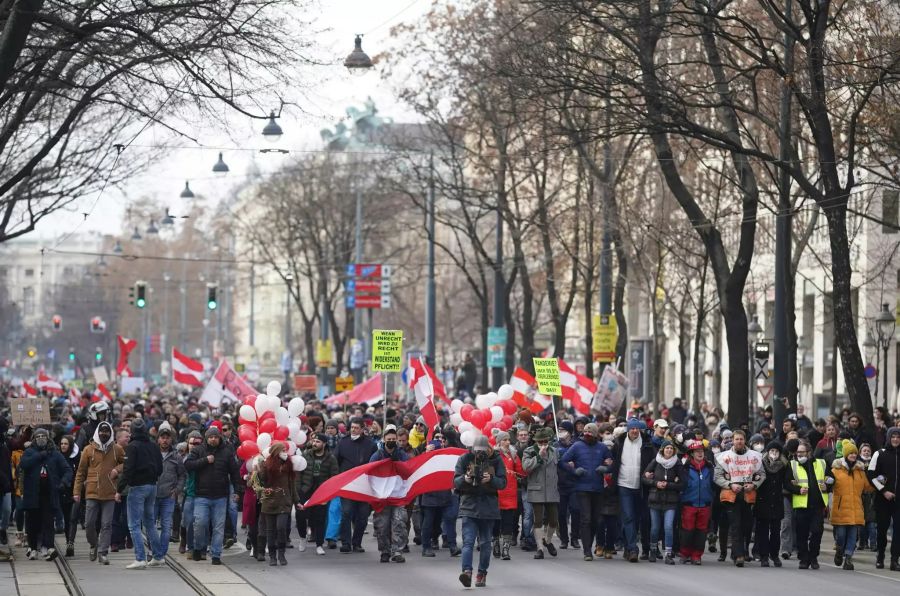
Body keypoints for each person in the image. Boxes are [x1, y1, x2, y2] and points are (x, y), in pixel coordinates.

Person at [454, 434, 506, 588]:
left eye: (483, 451)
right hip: (469, 505)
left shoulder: (496, 460)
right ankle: (467, 572)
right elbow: (455, 482)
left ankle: (482, 573)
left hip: (489, 506)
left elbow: (503, 483)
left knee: (485, 543)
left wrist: (491, 479)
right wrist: (466, 478)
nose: (479, 454)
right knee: (468, 542)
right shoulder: (464, 459)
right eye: (477, 451)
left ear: (489, 449)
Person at [184, 425, 240, 565]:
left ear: (219, 437)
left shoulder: (227, 452)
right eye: (210, 437)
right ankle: (197, 547)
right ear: (206, 438)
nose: (213, 439)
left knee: (218, 527)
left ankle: (216, 554)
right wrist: (205, 460)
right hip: (201, 495)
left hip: (220, 496)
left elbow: (234, 472)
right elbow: (188, 464)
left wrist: (238, 491)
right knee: (200, 523)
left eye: (215, 437)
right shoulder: (199, 450)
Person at [72, 421, 124, 565]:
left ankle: (103, 552)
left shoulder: (117, 449)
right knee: (89, 523)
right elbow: (80, 472)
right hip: (92, 492)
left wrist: (117, 470)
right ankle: (94, 544)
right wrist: (76, 491)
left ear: (110, 433)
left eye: (107, 432)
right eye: (101, 431)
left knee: (106, 524)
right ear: (97, 432)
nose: (104, 434)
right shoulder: (88, 450)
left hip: (109, 493)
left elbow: (126, 463)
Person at [561, 422, 614, 561]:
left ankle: (589, 544)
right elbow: (563, 461)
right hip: (582, 488)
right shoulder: (577, 446)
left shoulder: (602, 448)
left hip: (597, 488)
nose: (587, 436)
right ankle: (587, 551)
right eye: (585, 434)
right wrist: (574, 471)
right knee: (586, 519)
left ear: (596, 435)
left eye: (590, 434)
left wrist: (606, 468)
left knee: (596, 520)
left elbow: (612, 463)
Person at [713, 429, 765, 567]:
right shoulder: (724, 457)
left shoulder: (754, 456)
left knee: (746, 526)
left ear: (745, 440)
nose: (739, 442)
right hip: (731, 496)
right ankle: (739, 556)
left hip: (748, 496)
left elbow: (761, 474)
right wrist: (730, 484)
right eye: (736, 439)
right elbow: (717, 476)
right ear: (733, 441)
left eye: (741, 439)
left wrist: (754, 485)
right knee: (735, 525)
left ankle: (738, 551)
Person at [117, 417, 163, 570]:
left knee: (134, 525)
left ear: (132, 432)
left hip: (137, 488)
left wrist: (119, 489)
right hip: (152, 486)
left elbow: (128, 470)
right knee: (150, 522)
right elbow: (160, 468)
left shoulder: (132, 447)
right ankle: (157, 556)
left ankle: (140, 558)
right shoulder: (154, 446)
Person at [20, 428, 71, 561]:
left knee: (48, 522)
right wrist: (39, 455)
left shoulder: (54, 453)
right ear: (34, 438)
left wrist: (63, 483)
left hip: (49, 494)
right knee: (32, 522)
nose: (41, 438)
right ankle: (32, 548)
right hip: (32, 495)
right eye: (38, 436)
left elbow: (67, 470)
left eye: (44, 436)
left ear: (48, 438)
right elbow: (23, 464)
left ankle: (49, 547)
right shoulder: (29, 452)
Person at [784, 439, 831, 569]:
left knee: (817, 532)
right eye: (797, 452)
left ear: (809, 452)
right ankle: (804, 559)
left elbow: (831, 479)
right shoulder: (792, 464)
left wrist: (827, 486)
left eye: (802, 452)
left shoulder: (821, 463)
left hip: (817, 505)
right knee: (802, 534)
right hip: (801, 505)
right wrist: (798, 489)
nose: (799, 455)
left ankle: (813, 557)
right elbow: (787, 483)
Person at [613, 418, 654, 562]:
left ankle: (627, 545)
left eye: (637, 428)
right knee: (628, 516)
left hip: (641, 486)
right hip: (623, 484)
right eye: (632, 428)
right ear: (628, 430)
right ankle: (633, 549)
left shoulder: (648, 443)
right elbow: (613, 461)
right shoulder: (619, 443)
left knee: (636, 518)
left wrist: (651, 473)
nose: (635, 431)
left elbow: (653, 462)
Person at [334, 417, 377, 554]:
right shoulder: (343, 443)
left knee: (362, 515)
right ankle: (346, 543)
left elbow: (374, 463)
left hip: (364, 485)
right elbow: (336, 461)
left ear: (362, 430)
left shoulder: (370, 444)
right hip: (347, 484)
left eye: (356, 428)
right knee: (346, 513)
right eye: (352, 427)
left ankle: (357, 542)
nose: (353, 430)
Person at [830, 440, 873, 571]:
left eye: (855, 453)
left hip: (856, 509)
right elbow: (828, 484)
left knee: (853, 537)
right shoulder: (836, 470)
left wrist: (880, 479)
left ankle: (848, 559)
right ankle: (839, 550)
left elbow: (868, 487)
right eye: (851, 453)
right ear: (845, 455)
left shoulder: (860, 471)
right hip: (841, 509)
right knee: (841, 536)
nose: (853, 455)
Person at [369, 425, 410, 563]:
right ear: (384, 440)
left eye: (394, 439)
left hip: (398, 496)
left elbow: (408, 470)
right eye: (389, 439)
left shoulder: (402, 455)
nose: (392, 441)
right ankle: (385, 551)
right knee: (382, 525)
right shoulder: (377, 456)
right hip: (383, 497)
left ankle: (397, 551)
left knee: (399, 523)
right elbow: (370, 473)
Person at [296, 433, 338, 556]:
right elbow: (299, 473)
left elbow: (334, 476)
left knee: (320, 518)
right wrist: (299, 489)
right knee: (301, 516)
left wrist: (328, 492)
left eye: (318, 442)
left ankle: (319, 544)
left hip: (321, 492)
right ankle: (302, 538)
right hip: (305, 491)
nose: (315, 444)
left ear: (324, 444)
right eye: (314, 441)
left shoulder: (331, 458)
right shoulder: (305, 455)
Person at [642, 440, 684, 564]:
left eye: (671, 448)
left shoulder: (677, 463)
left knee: (668, 527)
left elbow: (683, 483)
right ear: (662, 450)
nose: (669, 450)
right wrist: (655, 483)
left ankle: (668, 554)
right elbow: (644, 478)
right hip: (655, 499)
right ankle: (653, 550)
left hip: (671, 500)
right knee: (655, 528)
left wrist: (669, 485)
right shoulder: (656, 461)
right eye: (667, 448)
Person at [256, 442, 297, 566]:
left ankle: (281, 553)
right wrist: (259, 469)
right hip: (269, 501)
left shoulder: (288, 466)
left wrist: (296, 501)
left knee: (281, 528)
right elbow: (262, 481)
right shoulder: (266, 465)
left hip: (284, 502)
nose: (285, 453)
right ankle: (272, 556)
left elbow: (292, 485)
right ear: (276, 452)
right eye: (282, 450)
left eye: (285, 450)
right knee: (270, 530)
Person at [522, 427, 560, 559]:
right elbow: (526, 467)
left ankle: (548, 541)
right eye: (540, 442)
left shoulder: (554, 451)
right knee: (537, 520)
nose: (543, 444)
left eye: (545, 442)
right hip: (537, 489)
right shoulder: (529, 451)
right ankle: (540, 548)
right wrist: (539, 457)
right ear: (536, 441)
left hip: (551, 490)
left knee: (554, 520)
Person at [867, 426, 900, 570]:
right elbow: (871, 475)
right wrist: (884, 491)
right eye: (893, 437)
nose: (895, 439)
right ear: (888, 437)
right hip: (883, 499)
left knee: (898, 531)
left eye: (898, 437)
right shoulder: (879, 454)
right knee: (882, 529)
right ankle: (880, 556)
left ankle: (894, 560)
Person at [678, 440, 714, 565]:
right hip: (689, 504)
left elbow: (713, 484)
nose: (700, 453)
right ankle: (685, 553)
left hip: (705, 504)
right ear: (691, 453)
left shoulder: (709, 467)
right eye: (697, 451)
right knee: (687, 530)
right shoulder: (685, 467)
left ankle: (696, 555)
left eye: (701, 451)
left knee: (701, 532)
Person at [154, 422, 185, 561]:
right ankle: (155, 551)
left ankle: (161, 554)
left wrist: (177, 490)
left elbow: (182, 475)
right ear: (158, 439)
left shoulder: (176, 456)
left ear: (171, 439)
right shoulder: (152, 453)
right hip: (153, 496)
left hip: (168, 497)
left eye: (167, 437)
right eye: (162, 437)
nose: (165, 440)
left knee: (166, 527)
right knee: (151, 526)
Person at [491, 430, 523, 560]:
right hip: (496, 494)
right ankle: (496, 544)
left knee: (508, 523)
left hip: (510, 493)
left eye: (509, 440)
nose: (507, 442)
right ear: (499, 441)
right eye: (504, 440)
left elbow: (521, 471)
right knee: (496, 523)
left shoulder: (514, 454)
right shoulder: (493, 455)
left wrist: (517, 470)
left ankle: (506, 549)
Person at [754, 441, 787, 567]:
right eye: (771, 451)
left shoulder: (783, 465)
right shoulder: (760, 464)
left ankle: (774, 555)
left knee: (775, 532)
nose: (774, 454)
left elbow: (787, 481)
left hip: (777, 502)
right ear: (767, 452)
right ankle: (764, 556)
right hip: (762, 502)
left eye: (776, 451)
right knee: (762, 531)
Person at [554, 421, 580, 550]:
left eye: (563, 430)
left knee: (575, 511)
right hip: (560, 484)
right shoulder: (555, 446)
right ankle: (564, 539)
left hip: (574, 484)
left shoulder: (577, 445)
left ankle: (574, 537)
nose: (561, 432)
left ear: (570, 432)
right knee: (561, 513)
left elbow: (581, 460)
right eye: (559, 429)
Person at [57, 434, 79, 557]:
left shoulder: (76, 457)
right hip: (61, 491)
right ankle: (67, 541)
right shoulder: (57, 457)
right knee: (64, 518)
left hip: (74, 492)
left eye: (66, 444)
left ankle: (70, 542)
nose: (63, 446)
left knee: (72, 518)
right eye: (62, 444)